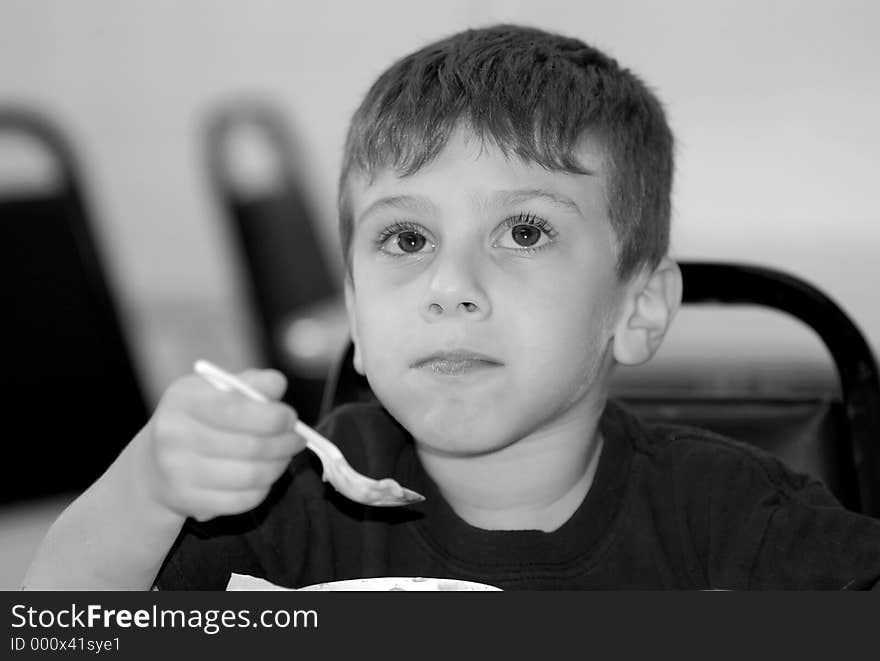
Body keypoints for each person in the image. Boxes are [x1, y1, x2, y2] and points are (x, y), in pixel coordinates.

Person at [25, 24, 880, 590]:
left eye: (525, 231)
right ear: (355, 316)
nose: (450, 284)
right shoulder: (281, 513)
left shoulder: (734, 525)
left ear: (638, 307)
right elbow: (57, 628)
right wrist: (147, 487)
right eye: (405, 241)